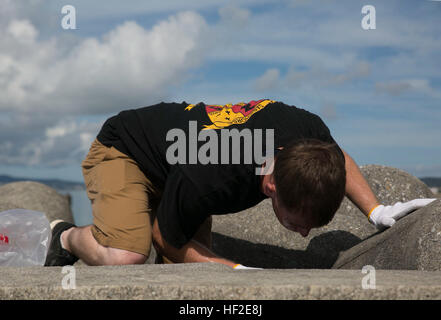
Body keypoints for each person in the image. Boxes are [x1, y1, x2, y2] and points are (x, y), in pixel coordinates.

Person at [44, 99, 436, 268]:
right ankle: (64, 237)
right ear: (271, 187)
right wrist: (236, 270)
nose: (302, 236)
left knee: (194, 275)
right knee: (128, 256)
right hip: (125, 149)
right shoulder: (219, 174)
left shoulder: (307, 131)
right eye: (297, 223)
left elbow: (336, 156)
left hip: (178, 168)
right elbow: (166, 238)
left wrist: (377, 211)